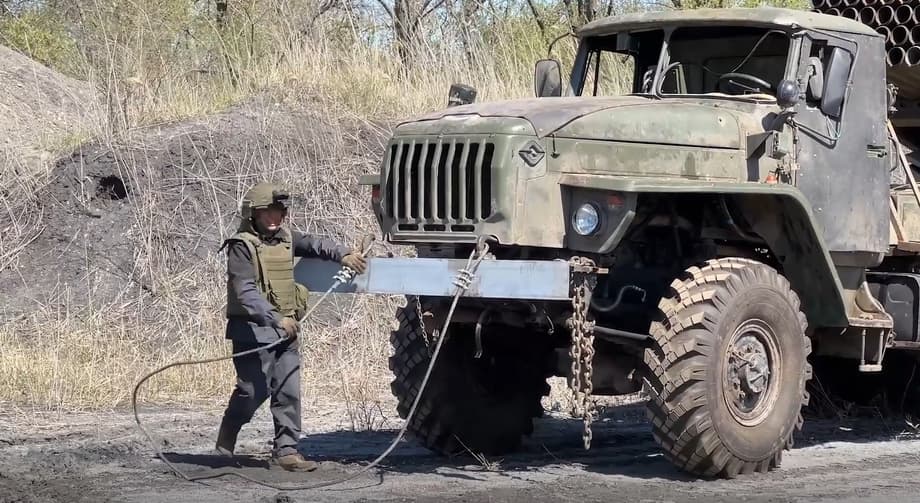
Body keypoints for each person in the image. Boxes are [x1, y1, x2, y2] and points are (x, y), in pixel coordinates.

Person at [214, 181, 367, 472]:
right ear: (253, 215)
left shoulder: (286, 238)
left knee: (288, 389)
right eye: (267, 213)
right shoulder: (241, 246)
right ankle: (228, 433)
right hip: (252, 331)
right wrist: (275, 318)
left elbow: (315, 244)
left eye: (278, 212)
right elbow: (244, 291)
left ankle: (286, 451)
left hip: (286, 330)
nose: (274, 218)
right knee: (252, 391)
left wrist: (344, 253)